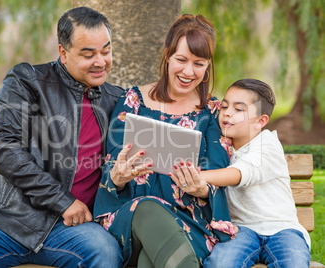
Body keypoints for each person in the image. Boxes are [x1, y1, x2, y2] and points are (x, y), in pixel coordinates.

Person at [0, 6, 124, 268]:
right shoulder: (27, 81)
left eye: (106, 50)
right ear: (63, 53)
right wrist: (63, 201)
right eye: (88, 54)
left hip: (70, 229)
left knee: (106, 254)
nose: (101, 61)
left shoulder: (117, 100)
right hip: (4, 221)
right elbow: (3, 147)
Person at [93, 14, 238, 268]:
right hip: (132, 219)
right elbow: (111, 169)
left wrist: (201, 188)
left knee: (154, 261)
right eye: (181, 60)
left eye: (198, 63)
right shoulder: (133, 101)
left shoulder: (213, 112)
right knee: (148, 208)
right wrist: (118, 176)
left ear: (207, 67)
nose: (188, 71)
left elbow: (219, 176)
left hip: (189, 223)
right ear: (167, 56)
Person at [173, 79, 311, 267]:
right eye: (224, 106)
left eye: (239, 109)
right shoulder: (220, 149)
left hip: (282, 229)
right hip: (241, 230)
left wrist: (196, 176)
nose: (227, 112)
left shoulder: (267, 143)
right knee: (221, 262)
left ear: (260, 121)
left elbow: (239, 173)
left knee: (293, 262)